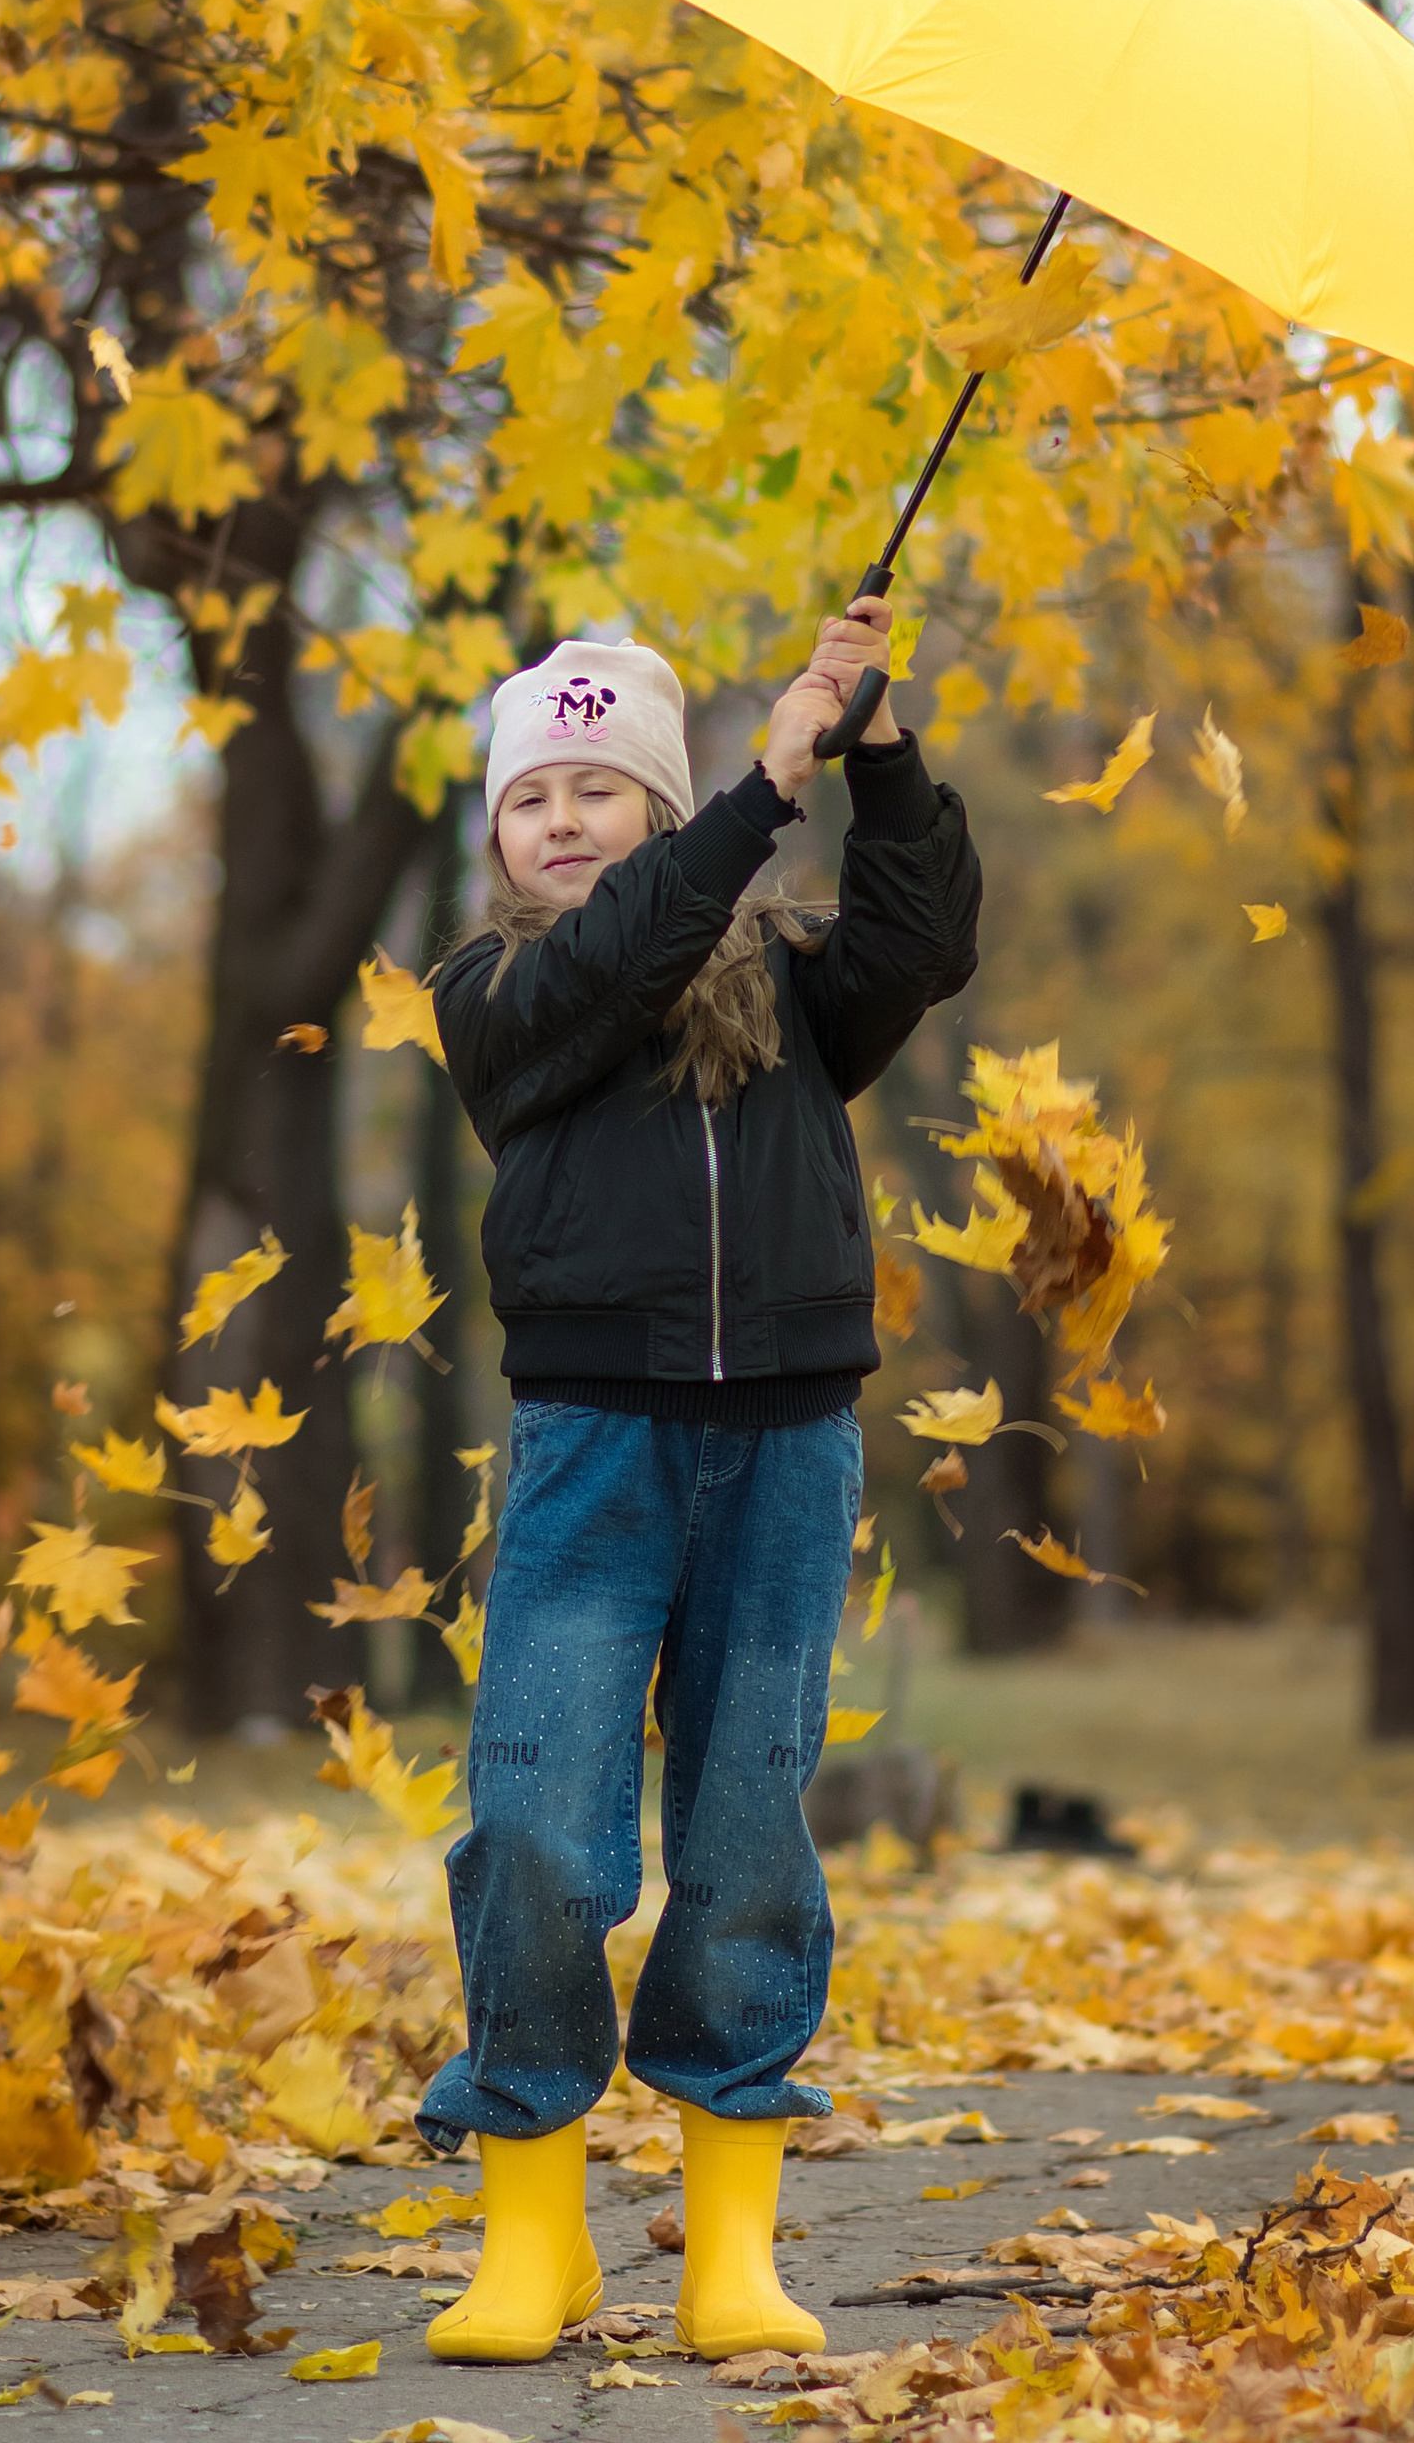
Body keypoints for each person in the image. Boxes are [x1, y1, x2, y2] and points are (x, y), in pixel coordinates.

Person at [417, 597, 981, 2364]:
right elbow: (618, 968)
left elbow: (928, 930)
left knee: (743, 1841)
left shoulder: (801, 991)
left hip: (787, 1452)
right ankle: (534, 2234)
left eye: (602, 788)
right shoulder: (499, 995)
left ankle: (730, 2249)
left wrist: (870, 750)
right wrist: (755, 787)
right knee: (531, 1826)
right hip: (597, 1452)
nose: (565, 818)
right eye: (534, 795)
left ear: (657, 816)